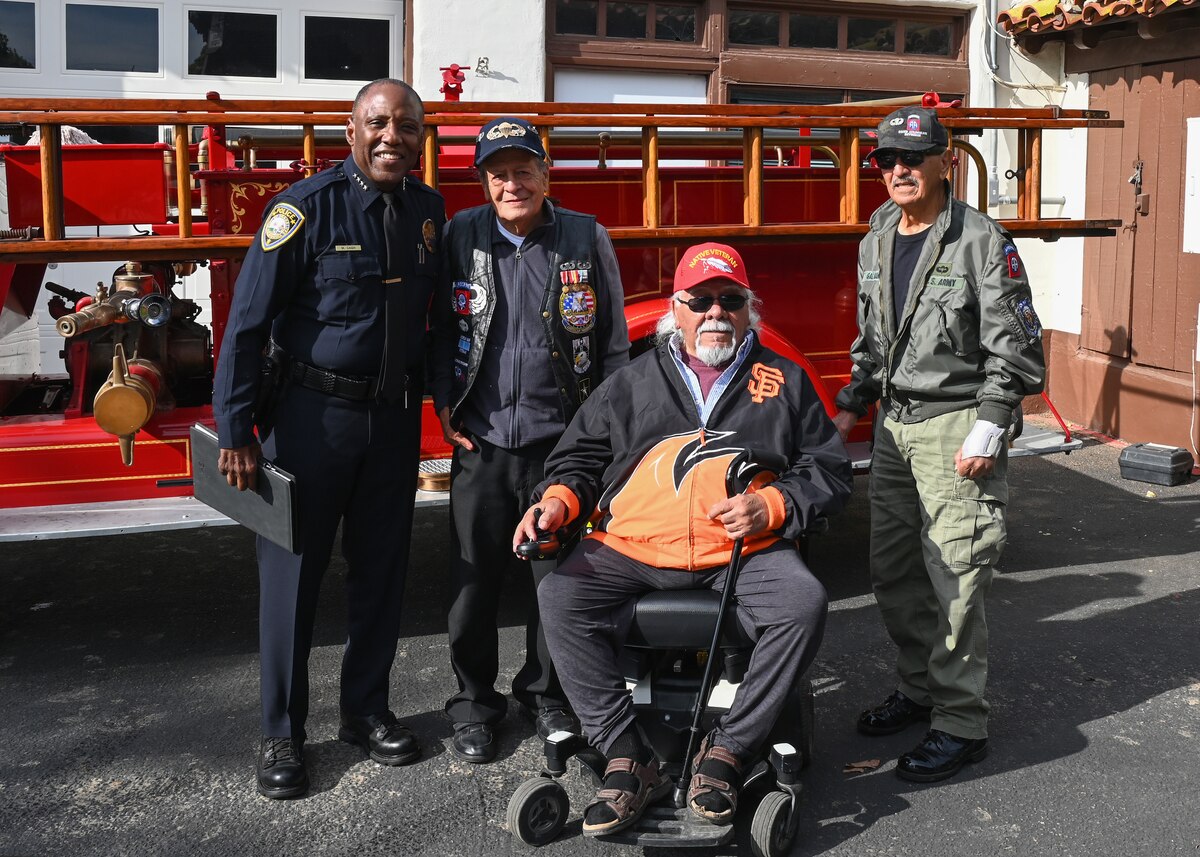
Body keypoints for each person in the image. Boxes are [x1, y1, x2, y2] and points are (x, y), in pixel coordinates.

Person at [513, 242, 852, 834]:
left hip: (740, 551)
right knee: (561, 596)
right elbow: (579, 460)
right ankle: (626, 753)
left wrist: (772, 505)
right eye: (700, 300)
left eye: (730, 299)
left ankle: (728, 751)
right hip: (635, 547)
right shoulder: (630, 382)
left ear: (749, 309)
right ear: (676, 309)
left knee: (802, 603)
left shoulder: (785, 381)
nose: (715, 311)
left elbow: (828, 470)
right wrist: (557, 502)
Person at [212, 78, 445, 799]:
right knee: (292, 581)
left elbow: (437, 323)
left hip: (392, 423)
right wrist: (236, 429)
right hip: (310, 423)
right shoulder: (303, 209)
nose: (392, 137)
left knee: (381, 573)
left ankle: (365, 711)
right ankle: (282, 732)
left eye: (407, 126)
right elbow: (247, 324)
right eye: (378, 123)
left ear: (420, 138)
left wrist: (450, 409)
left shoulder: (428, 212)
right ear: (351, 132)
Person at [832, 106, 1045, 783]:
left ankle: (960, 722)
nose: (898, 169)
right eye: (886, 159)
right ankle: (920, 687)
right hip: (894, 426)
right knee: (894, 573)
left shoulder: (980, 240)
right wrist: (852, 404)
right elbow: (873, 338)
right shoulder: (877, 234)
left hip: (957, 423)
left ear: (945, 161)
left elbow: (1017, 348)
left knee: (956, 576)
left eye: (912, 157)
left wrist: (991, 423)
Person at [428, 117, 630, 763]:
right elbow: (439, 329)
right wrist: (444, 402)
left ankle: (547, 697)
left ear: (546, 174)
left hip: (561, 446)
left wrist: (603, 433)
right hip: (483, 440)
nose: (511, 184)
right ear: (484, 182)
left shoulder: (585, 235)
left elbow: (614, 343)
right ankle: (473, 704)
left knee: (557, 583)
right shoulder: (461, 234)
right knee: (472, 585)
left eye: (523, 171)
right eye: (498, 174)